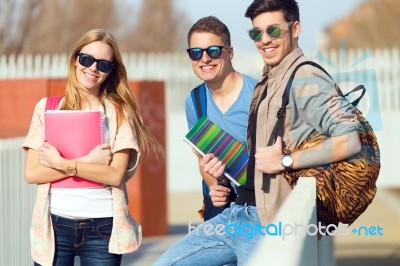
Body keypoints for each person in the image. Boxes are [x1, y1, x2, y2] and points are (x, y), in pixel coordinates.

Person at [155, 0, 361, 265]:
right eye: (256, 33)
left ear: (295, 29)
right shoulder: (267, 82)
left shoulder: (304, 77)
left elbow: (349, 140)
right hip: (233, 212)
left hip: (263, 217)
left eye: (273, 31)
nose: (265, 40)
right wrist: (213, 183)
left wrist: (287, 161)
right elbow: (206, 157)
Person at [23, 29, 160, 266]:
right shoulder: (46, 109)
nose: (93, 68)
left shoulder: (120, 113)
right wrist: (88, 161)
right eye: (86, 59)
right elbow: (32, 173)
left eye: (103, 64)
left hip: (102, 227)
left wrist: (62, 164)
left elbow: (115, 175)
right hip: (54, 226)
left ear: (111, 71)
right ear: (76, 59)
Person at [184, 16, 257, 221]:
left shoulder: (258, 95)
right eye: (196, 53)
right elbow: (202, 157)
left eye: (213, 51)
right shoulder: (195, 101)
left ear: (230, 52)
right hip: (218, 209)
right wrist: (214, 186)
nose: (204, 59)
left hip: (258, 207)